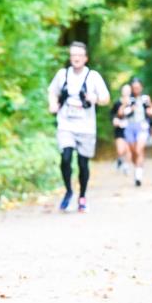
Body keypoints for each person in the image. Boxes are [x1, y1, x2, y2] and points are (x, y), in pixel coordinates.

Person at [47, 42, 110, 213]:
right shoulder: (62, 75)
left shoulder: (93, 76)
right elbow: (52, 92)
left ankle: (82, 196)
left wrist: (95, 98)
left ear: (85, 58)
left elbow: (106, 98)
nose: (76, 58)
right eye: (73, 55)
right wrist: (53, 104)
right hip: (66, 124)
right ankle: (68, 191)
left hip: (86, 127)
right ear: (70, 57)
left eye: (79, 55)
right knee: (66, 157)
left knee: (83, 163)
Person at [120, 78, 152, 187]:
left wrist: (150, 110)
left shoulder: (145, 98)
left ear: (141, 87)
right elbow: (120, 113)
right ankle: (137, 168)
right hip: (129, 127)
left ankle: (138, 175)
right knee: (133, 152)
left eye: (138, 87)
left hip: (142, 126)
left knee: (139, 149)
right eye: (134, 88)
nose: (136, 89)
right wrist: (126, 106)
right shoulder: (128, 99)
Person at [110, 84, 132, 175]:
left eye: (128, 91)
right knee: (120, 149)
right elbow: (114, 114)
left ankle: (126, 166)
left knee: (128, 148)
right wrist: (114, 120)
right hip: (119, 128)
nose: (126, 92)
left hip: (130, 128)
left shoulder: (133, 102)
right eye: (124, 90)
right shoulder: (117, 103)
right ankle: (120, 159)